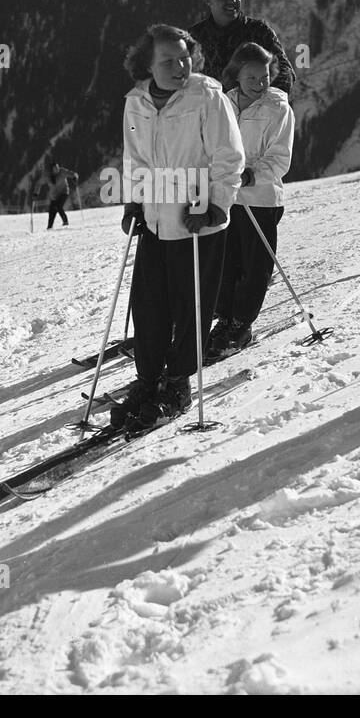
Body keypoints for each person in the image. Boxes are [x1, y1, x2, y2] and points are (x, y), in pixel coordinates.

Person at [111, 24, 245, 432]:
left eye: (185, 57)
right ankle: (147, 380)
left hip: (195, 222)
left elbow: (229, 157)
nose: (179, 66)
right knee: (149, 306)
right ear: (147, 65)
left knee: (191, 307)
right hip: (155, 220)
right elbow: (135, 160)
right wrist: (134, 200)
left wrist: (214, 207)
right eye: (167, 60)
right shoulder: (135, 103)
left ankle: (179, 382)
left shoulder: (207, 96)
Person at [209, 42, 294, 358]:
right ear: (237, 75)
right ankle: (226, 319)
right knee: (226, 262)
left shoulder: (278, 108)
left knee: (254, 266)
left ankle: (241, 324)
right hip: (227, 197)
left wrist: (250, 174)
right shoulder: (225, 104)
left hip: (260, 199)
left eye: (265, 77)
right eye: (252, 78)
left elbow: (280, 157)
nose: (260, 84)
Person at [189, 0, 297, 94]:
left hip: (255, 110)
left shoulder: (259, 32)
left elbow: (285, 72)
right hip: (209, 111)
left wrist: (265, 103)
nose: (232, 0)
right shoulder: (194, 37)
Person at [40, 161, 77, 229]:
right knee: (51, 211)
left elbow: (73, 173)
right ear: (52, 170)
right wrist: (35, 193)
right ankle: (49, 227)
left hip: (64, 192)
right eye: (55, 168)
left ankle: (65, 221)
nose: (57, 169)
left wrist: (74, 177)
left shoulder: (62, 171)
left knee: (58, 206)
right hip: (54, 196)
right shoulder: (48, 176)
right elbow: (39, 183)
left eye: (58, 167)